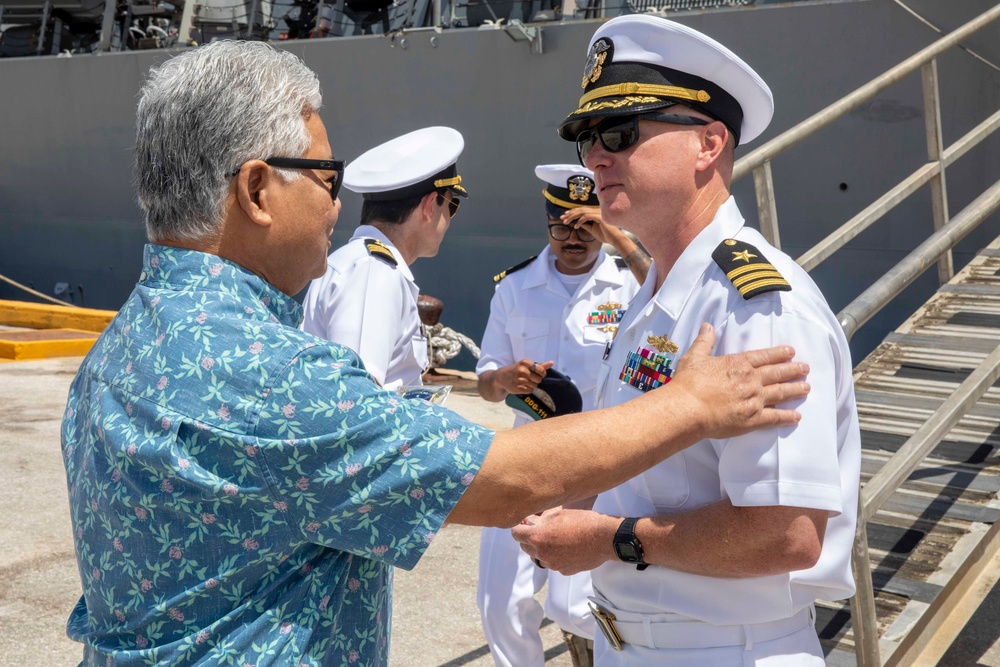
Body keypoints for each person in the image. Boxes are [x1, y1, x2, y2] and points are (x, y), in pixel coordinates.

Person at [60, 39, 812, 667]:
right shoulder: (260, 375)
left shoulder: (121, 347)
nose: (337, 204)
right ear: (256, 190)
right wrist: (690, 402)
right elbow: (507, 479)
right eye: (327, 178)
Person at [512, 16, 862, 666]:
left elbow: (786, 534)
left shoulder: (756, 302)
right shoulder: (654, 296)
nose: (595, 157)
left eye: (618, 132)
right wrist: (571, 507)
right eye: (587, 139)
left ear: (709, 143)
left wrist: (611, 538)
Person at [475, 164, 648, 667]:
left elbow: (673, 287)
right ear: (546, 222)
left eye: (586, 226)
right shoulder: (515, 287)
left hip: (600, 458)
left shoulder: (627, 284)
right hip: (528, 452)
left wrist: (617, 234)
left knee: (578, 605)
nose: (574, 238)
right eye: (561, 226)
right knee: (500, 601)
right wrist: (505, 378)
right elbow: (485, 382)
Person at [301, 126, 466, 390]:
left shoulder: (361, 262)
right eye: (451, 204)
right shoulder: (373, 272)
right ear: (429, 205)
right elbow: (356, 398)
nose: (449, 217)